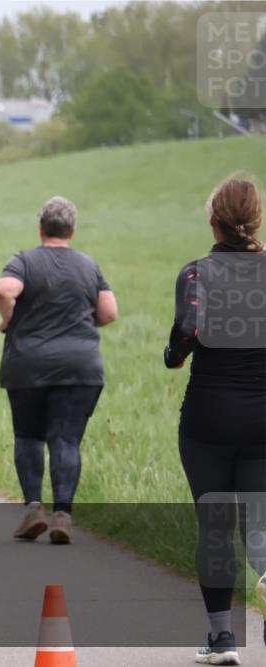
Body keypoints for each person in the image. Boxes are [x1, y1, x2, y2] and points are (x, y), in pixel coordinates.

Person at [162, 178, 266, 665]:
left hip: (208, 420)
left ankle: (222, 640)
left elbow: (187, 328)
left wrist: (174, 355)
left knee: (215, 526)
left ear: (213, 221)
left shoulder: (196, 273)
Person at [0, 196, 118, 544]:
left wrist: (7, 320)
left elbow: (6, 289)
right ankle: (62, 514)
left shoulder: (24, 260)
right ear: (72, 230)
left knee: (29, 437)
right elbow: (109, 312)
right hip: (80, 366)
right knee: (65, 440)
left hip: (28, 365)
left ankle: (34, 508)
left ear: (40, 228)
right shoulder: (88, 265)